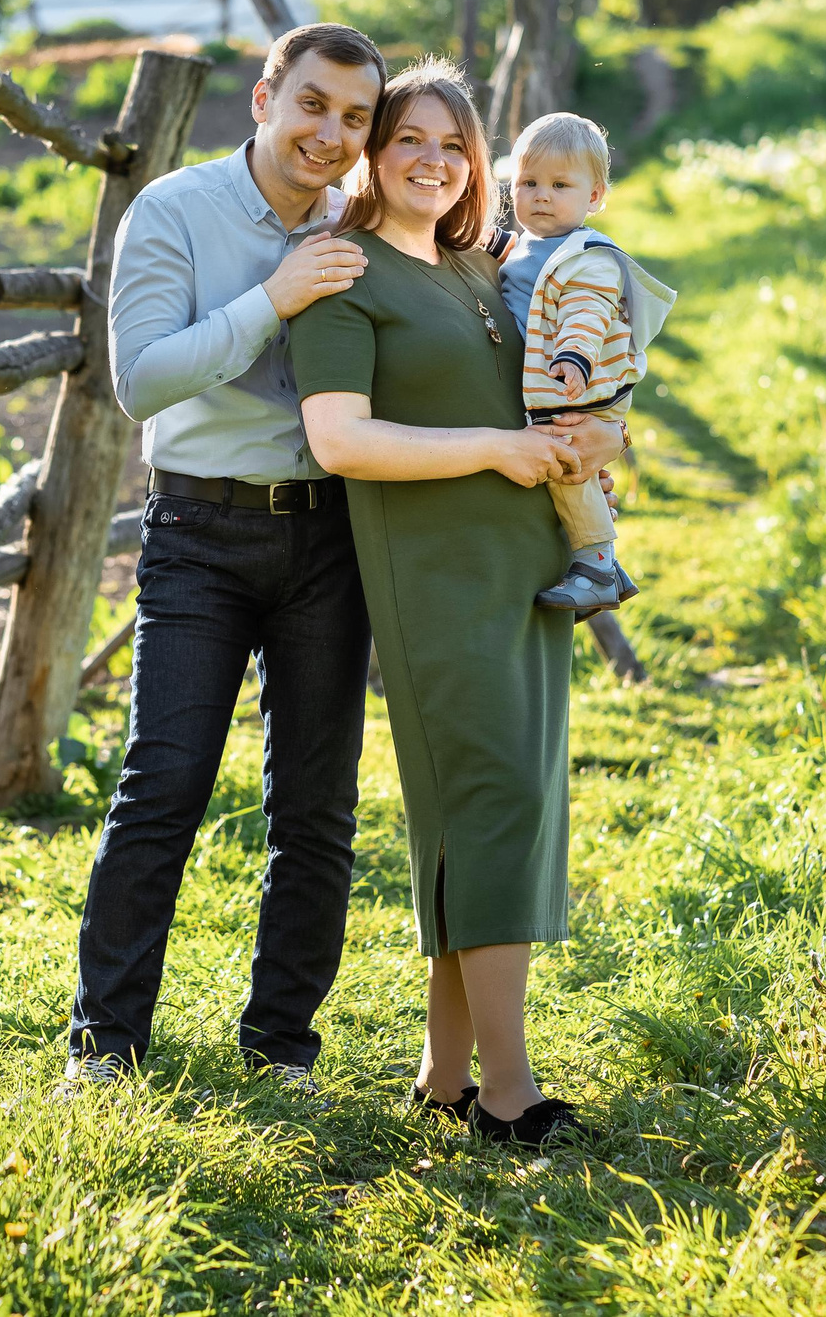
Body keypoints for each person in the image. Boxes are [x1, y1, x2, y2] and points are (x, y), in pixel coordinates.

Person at [289, 59, 621, 1145]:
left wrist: (596, 438)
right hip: (435, 580)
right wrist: (496, 447)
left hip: (522, 573)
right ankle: (510, 1093)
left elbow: (559, 391)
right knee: (490, 807)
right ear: (374, 156)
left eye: (454, 146)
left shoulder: (485, 270)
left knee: (484, 810)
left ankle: (444, 1076)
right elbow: (340, 441)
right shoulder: (344, 276)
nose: (433, 162)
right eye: (408, 142)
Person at [56, 22, 386, 1094]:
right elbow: (141, 380)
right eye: (312, 105)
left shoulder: (366, 226)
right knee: (164, 783)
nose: (329, 135)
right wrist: (273, 298)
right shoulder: (177, 210)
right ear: (264, 97)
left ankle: (282, 1045)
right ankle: (104, 1046)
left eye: (353, 118)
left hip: (333, 537)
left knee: (316, 806)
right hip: (199, 533)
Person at [491, 112, 675, 614]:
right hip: (566, 382)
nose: (541, 195)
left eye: (558, 184)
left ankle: (595, 565)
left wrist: (574, 357)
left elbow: (586, 314)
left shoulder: (587, 257)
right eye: (527, 183)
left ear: (594, 197)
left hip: (580, 382)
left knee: (567, 467)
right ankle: (607, 566)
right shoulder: (528, 245)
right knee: (573, 467)